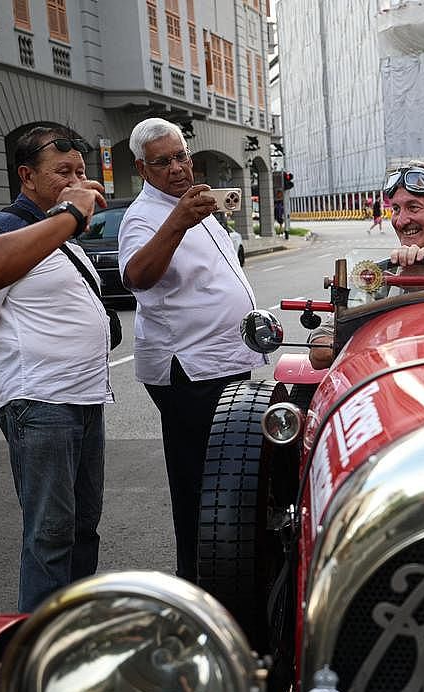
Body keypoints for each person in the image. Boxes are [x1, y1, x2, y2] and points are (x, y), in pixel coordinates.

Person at [0, 126, 114, 612]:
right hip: (42, 403)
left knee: (83, 528)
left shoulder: (62, 230)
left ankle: (72, 632)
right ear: (27, 176)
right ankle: (36, 647)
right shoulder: (6, 231)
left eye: (81, 171)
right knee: (51, 533)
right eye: (63, 172)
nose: (77, 180)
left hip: (84, 400)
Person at [117, 117, 266, 581]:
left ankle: (229, 574)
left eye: (181, 155)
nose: (177, 167)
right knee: (199, 484)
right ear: (143, 169)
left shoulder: (191, 202)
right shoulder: (144, 216)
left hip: (223, 360)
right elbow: (137, 276)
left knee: (228, 478)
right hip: (191, 370)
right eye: (163, 162)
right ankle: (200, 582)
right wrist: (178, 222)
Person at [309, 161, 424, 369]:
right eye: (396, 209)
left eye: (413, 207)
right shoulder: (378, 281)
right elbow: (319, 350)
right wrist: (373, 324)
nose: (401, 221)